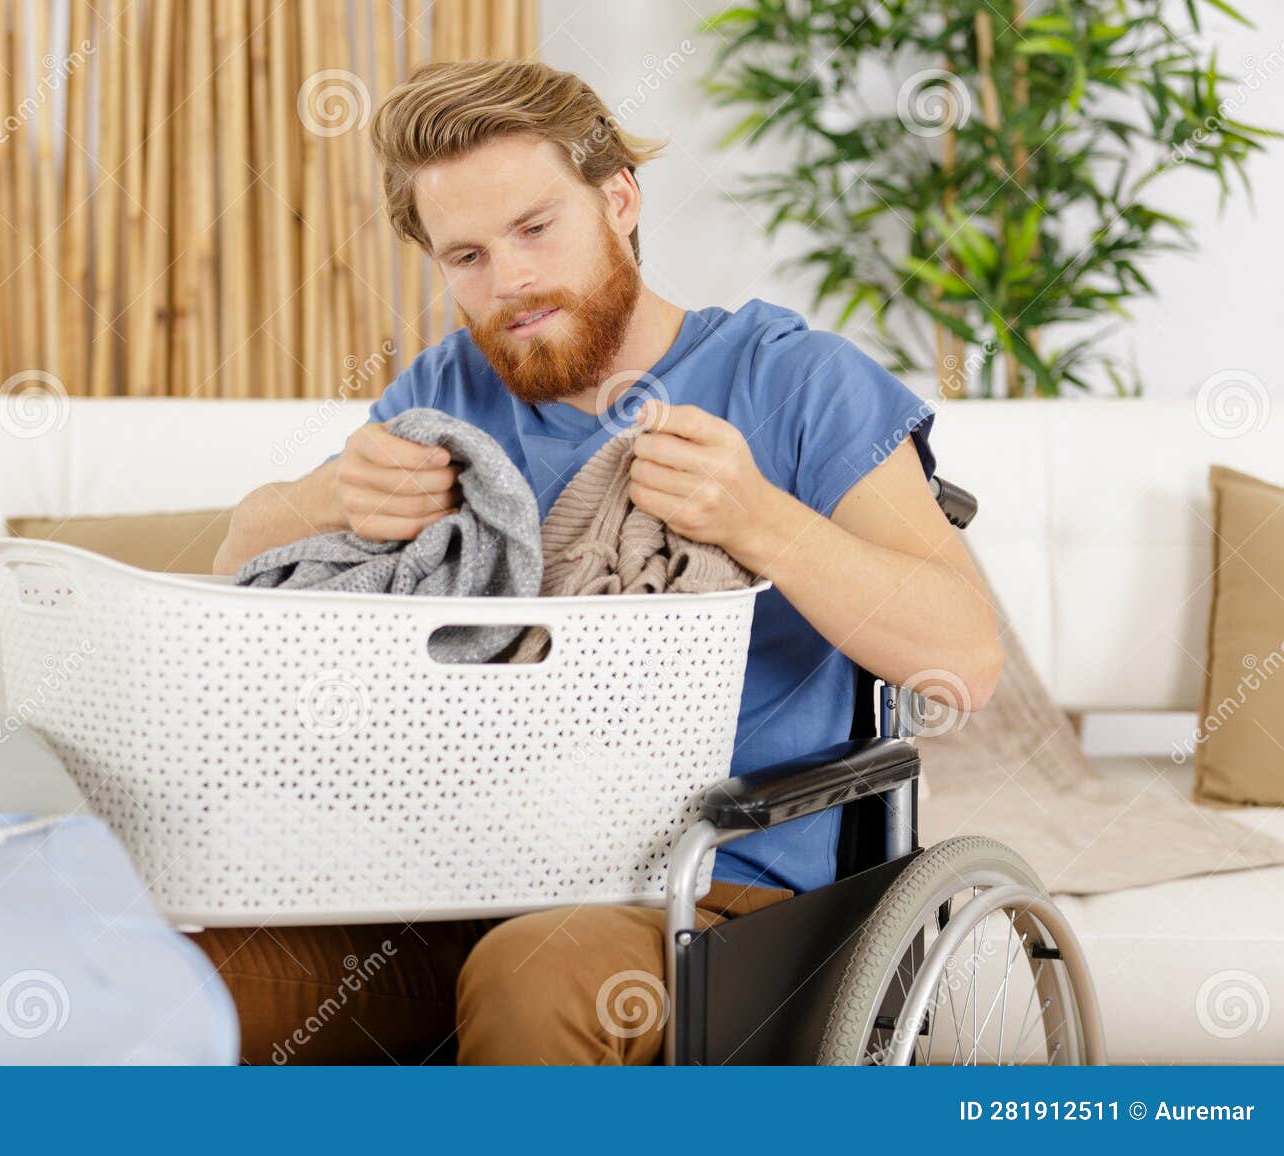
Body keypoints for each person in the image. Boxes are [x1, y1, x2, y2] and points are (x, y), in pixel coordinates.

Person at [198, 58, 1002, 1065]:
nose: (509, 283)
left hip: (711, 897)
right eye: (467, 256)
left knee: (533, 974)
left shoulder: (795, 382)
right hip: (440, 881)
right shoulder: (446, 392)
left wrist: (760, 520)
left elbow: (965, 661)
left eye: (535, 229)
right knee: (185, 975)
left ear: (618, 200)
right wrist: (325, 498)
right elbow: (240, 565)